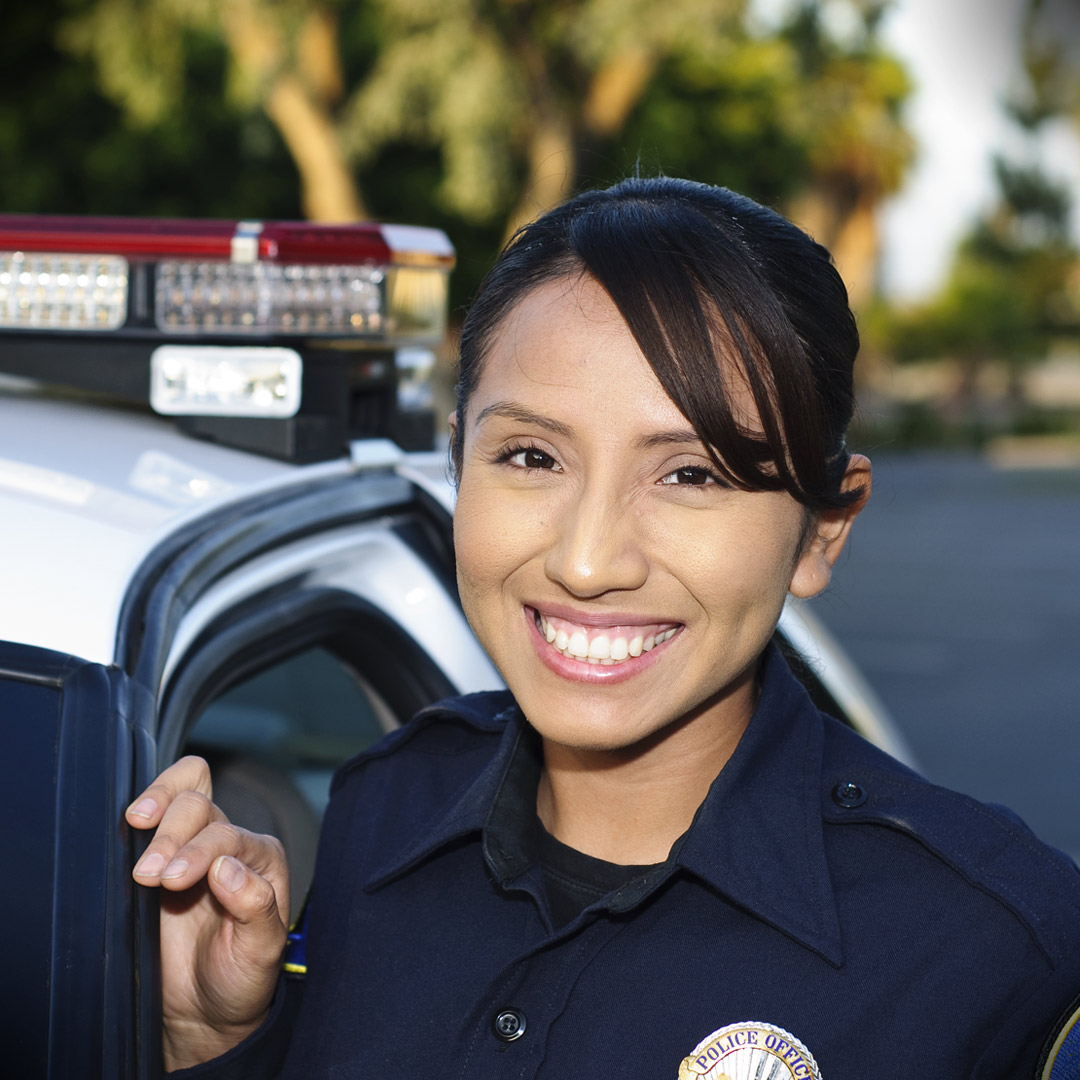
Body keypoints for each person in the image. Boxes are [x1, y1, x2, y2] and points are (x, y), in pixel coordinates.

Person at [127, 177, 1080, 1080]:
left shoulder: (995, 950)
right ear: (461, 465)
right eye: (533, 456)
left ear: (822, 531)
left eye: (692, 475)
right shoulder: (386, 806)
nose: (587, 562)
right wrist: (216, 1040)